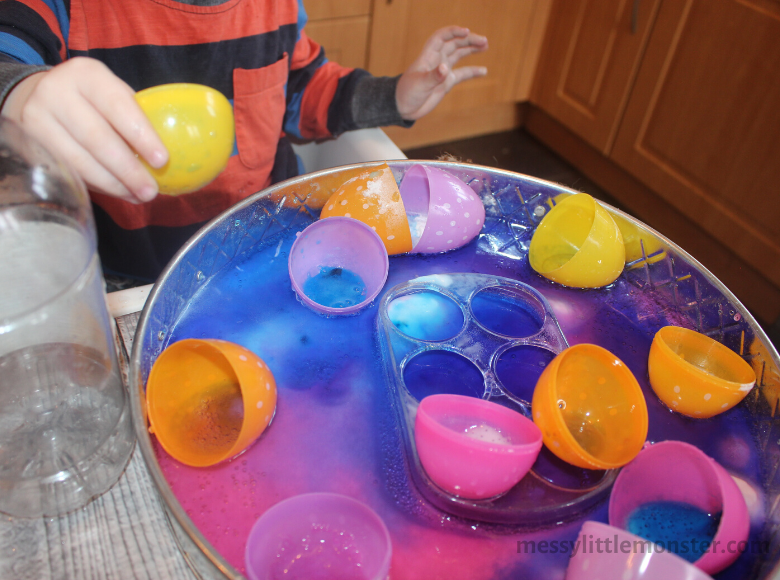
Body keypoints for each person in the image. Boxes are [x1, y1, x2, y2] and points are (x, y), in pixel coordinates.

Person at [0, 0, 488, 281]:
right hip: (139, 270)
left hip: (274, 247)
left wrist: (394, 97)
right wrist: (21, 93)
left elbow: (301, 88)